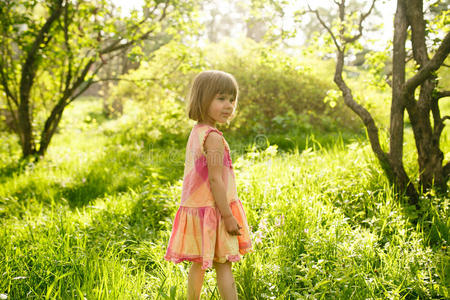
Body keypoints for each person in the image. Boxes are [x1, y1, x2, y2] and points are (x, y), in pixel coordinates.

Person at [164, 70, 253, 300]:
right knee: (224, 265)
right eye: (221, 98)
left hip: (200, 209)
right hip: (215, 211)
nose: (229, 105)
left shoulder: (197, 131)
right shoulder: (212, 137)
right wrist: (228, 216)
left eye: (232, 99)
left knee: (199, 265)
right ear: (203, 99)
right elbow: (215, 180)